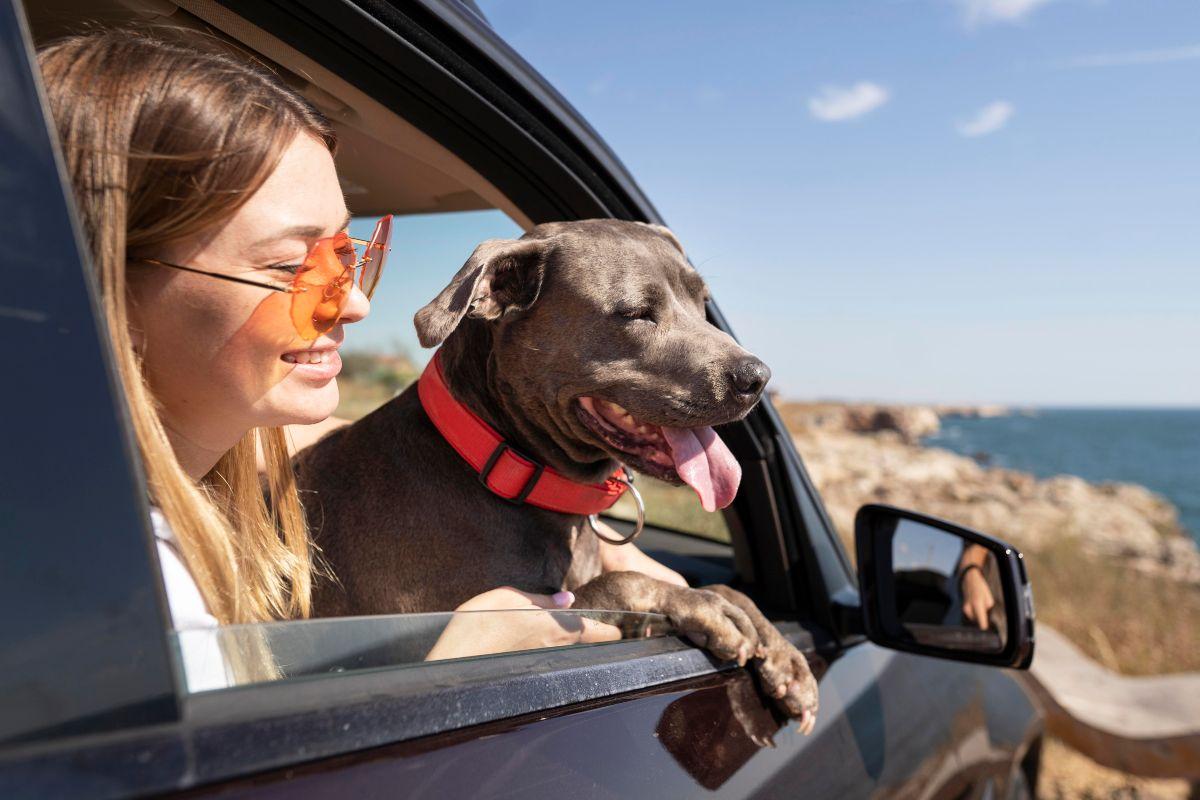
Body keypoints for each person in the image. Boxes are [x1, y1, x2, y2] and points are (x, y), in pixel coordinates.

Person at [37, 28, 638, 685]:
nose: (353, 304)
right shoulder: (117, 593)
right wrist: (452, 676)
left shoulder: (171, 491)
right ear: (99, 277)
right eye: (293, 264)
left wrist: (603, 545)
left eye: (347, 254)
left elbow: (323, 435)